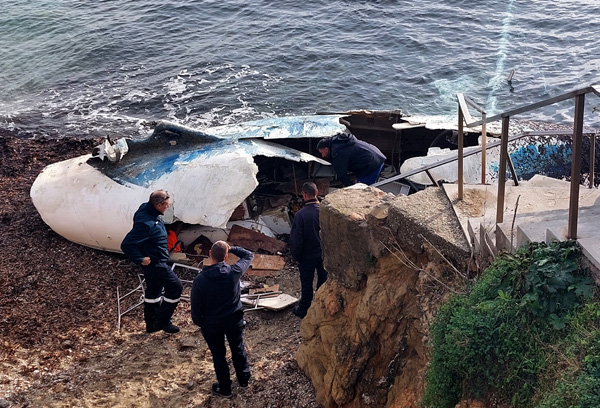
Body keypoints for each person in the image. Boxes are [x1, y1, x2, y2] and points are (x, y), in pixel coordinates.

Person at [191, 241, 253, 399]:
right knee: (237, 348)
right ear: (226, 257)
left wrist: (202, 324)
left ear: (210, 254)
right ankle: (244, 378)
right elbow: (248, 255)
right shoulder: (234, 272)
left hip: (212, 324)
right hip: (234, 320)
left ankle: (225, 387)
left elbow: (196, 310)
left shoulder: (200, 280)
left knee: (218, 355)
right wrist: (232, 248)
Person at [121, 190, 183, 334]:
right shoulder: (146, 224)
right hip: (155, 263)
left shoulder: (146, 208)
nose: (168, 207)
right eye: (166, 204)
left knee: (154, 291)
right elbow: (127, 244)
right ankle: (163, 321)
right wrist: (140, 259)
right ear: (158, 205)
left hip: (156, 259)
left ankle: (151, 324)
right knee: (175, 287)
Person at [289, 182, 328, 318]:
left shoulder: (300, 215)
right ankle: (321, 306)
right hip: (323, 254)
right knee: (323, 281)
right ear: (317, 192)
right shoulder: (324, 211)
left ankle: (304, 309)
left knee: (307, 283)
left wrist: (296, 256)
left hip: (307, 256)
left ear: (304, 195)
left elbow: (296, 240)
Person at [317, 132, 386, 187]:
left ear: (326, 149)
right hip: (377, 155)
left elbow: (342, 175)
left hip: (371, 165)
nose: (323, 156)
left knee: (363, 191)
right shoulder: (341, 142)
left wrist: (350, 188)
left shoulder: (337, 152)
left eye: (322, 153)